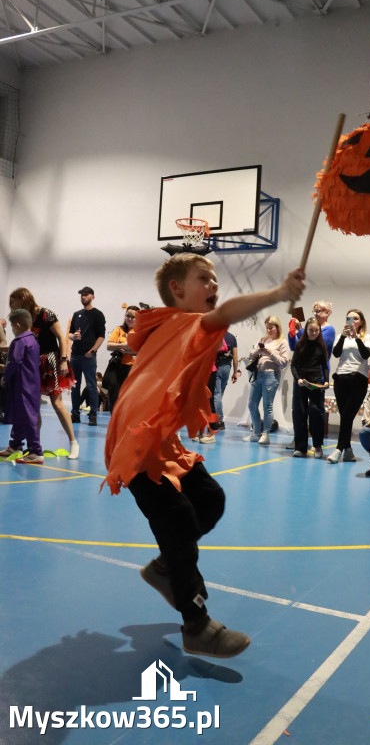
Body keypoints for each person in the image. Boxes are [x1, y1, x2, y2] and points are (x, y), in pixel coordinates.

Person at [103, 253, 304, 659]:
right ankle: (196, 625)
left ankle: (164, 568)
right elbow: (226, 313)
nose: (214, 285)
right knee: (176, 518)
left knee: (210, 500)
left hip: (160, 439)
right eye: (204, 278)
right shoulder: (182, 321)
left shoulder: (176, 327)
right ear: (177, 290)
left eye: (215, 279)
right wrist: (281, 292)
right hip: (135, 441)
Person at [8, 288, 79, 460]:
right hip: (33, 362)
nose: (12, 306)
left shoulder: (46, 314)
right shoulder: (24, 318)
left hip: (51, 360)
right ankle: (35, 447)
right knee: (33, 405)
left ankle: (73, 442)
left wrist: (63, 359)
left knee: (57, 402)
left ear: (23, 299)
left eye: (14, 302)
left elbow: (61, 337)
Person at [328, 308, 370, 464]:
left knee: (347, 415)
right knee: (344, 416)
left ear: (361, 322)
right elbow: (336, 353)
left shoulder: (367, 337)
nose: (352, 321)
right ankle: (347, 450)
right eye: (349, 318)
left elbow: (366, 354)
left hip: (358, 379)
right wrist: (344, 336)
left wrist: (356, 337)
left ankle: (338, 449)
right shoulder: (341, 336)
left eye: (355, 319)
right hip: (341, 378)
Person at [0, 309, 44, 464]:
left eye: (12, 327)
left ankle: (35, 451)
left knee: (28, 418)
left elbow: (14, 362)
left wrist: (5, 377)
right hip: (31, 385)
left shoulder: (19, 341)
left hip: (22, 385)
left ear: (18, 325)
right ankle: (15, 445)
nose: (12, 330)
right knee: (21, 415)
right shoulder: (33, 340)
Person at [244, 316, 289, 445]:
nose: (269, 330)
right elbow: (251, 355)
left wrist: (270, 352)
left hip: (271, 375)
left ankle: (266, 434)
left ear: (277, 327)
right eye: (267, 328)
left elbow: (284, 362)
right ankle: (256, 433)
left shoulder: (283, 342)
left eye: (271, 327)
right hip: (258, 374)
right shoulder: (263, 340)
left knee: (267, 406)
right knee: (252, 404)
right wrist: (258, 349)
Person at [290, 317, 329, 459]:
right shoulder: (300, 345)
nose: (314, 332)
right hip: (301, 382)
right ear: (306, 330)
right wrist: (298, 379)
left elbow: (325, 366)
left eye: (316, 330)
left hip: (316, 382)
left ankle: (318, 446)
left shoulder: (321, 345)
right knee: (299, 413)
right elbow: (293, 365)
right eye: (311, 330)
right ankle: (300, 447)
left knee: (316, 412)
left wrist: (326, 381)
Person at [69, 287, 106, 426]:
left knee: (91, 386)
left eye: (86, 295)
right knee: (74, 386)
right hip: (75, 355)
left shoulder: (98, 315)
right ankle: (75, 414)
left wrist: (93, 351)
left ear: (92, 297)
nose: (83, 297)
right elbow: (70, 333)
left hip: (88, 357)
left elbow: (101, 336)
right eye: (81, 295)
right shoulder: (76, 314)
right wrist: (73, 336)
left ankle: (93, 415)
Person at [104, 306, 139, 411]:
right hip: (117, 366)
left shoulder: (140, 332)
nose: (130, 318)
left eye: (133, 317)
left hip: (132, 367)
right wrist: (122, 345)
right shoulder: (119, 330)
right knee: (113, 395)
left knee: (130, 396)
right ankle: (113, 420)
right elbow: (109, 346)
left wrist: (127, 350)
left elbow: (142, 349)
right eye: (128, 316)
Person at [213, 331, 239, 430]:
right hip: (227, 368)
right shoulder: (232, 337)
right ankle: (217, 418)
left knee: (216, 395)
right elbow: (235, 357)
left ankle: (218, 420)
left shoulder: (215, 335)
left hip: (216, 366)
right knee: (220, 394)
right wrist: (235, 372)